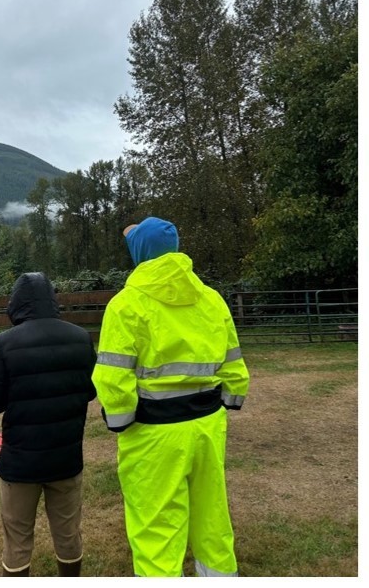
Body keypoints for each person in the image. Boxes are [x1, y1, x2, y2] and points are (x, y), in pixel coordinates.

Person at [92, 217, 250, 578]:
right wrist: (232, 397)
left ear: (140, 254)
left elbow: (113, 375)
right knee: (212, 514)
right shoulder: (211, 299)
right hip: (208, 424)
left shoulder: (126, 304)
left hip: (153, 431)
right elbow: (233, 360)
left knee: (157, 526)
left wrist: (119, 417)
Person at [0, 271, 97, 578]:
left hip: (20, 463)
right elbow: (90, 391)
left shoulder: (5, 343)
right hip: (66, 458)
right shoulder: (81, 338)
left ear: (16, 302)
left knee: (17, 540)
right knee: (68, 534)